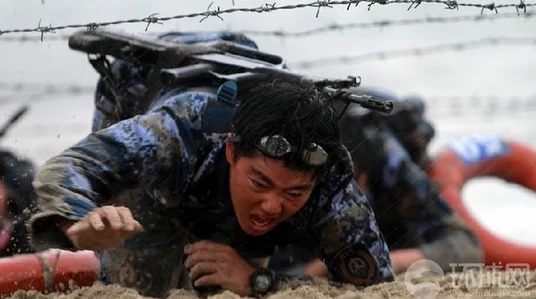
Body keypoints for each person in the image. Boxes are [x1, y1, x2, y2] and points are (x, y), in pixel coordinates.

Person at [26, 32, 395, 298]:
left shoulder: (332, 186)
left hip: (226, 208)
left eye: (294, 192)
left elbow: (374, 290)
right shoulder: (178, 132)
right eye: (260, 183)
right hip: (158, 185)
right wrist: (78, 220)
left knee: (231, 289)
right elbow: (69, 167)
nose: (272, 205)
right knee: (138, 289)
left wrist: (258, 283)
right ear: (233, 152)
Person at [269, 87, 483, 277]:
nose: (337, 203)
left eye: (344, 189)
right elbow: (266, 268)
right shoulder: (292, 182)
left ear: (361, 176)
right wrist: (316, 270)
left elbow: (466, 247)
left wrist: (387, 260)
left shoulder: (391, 165)